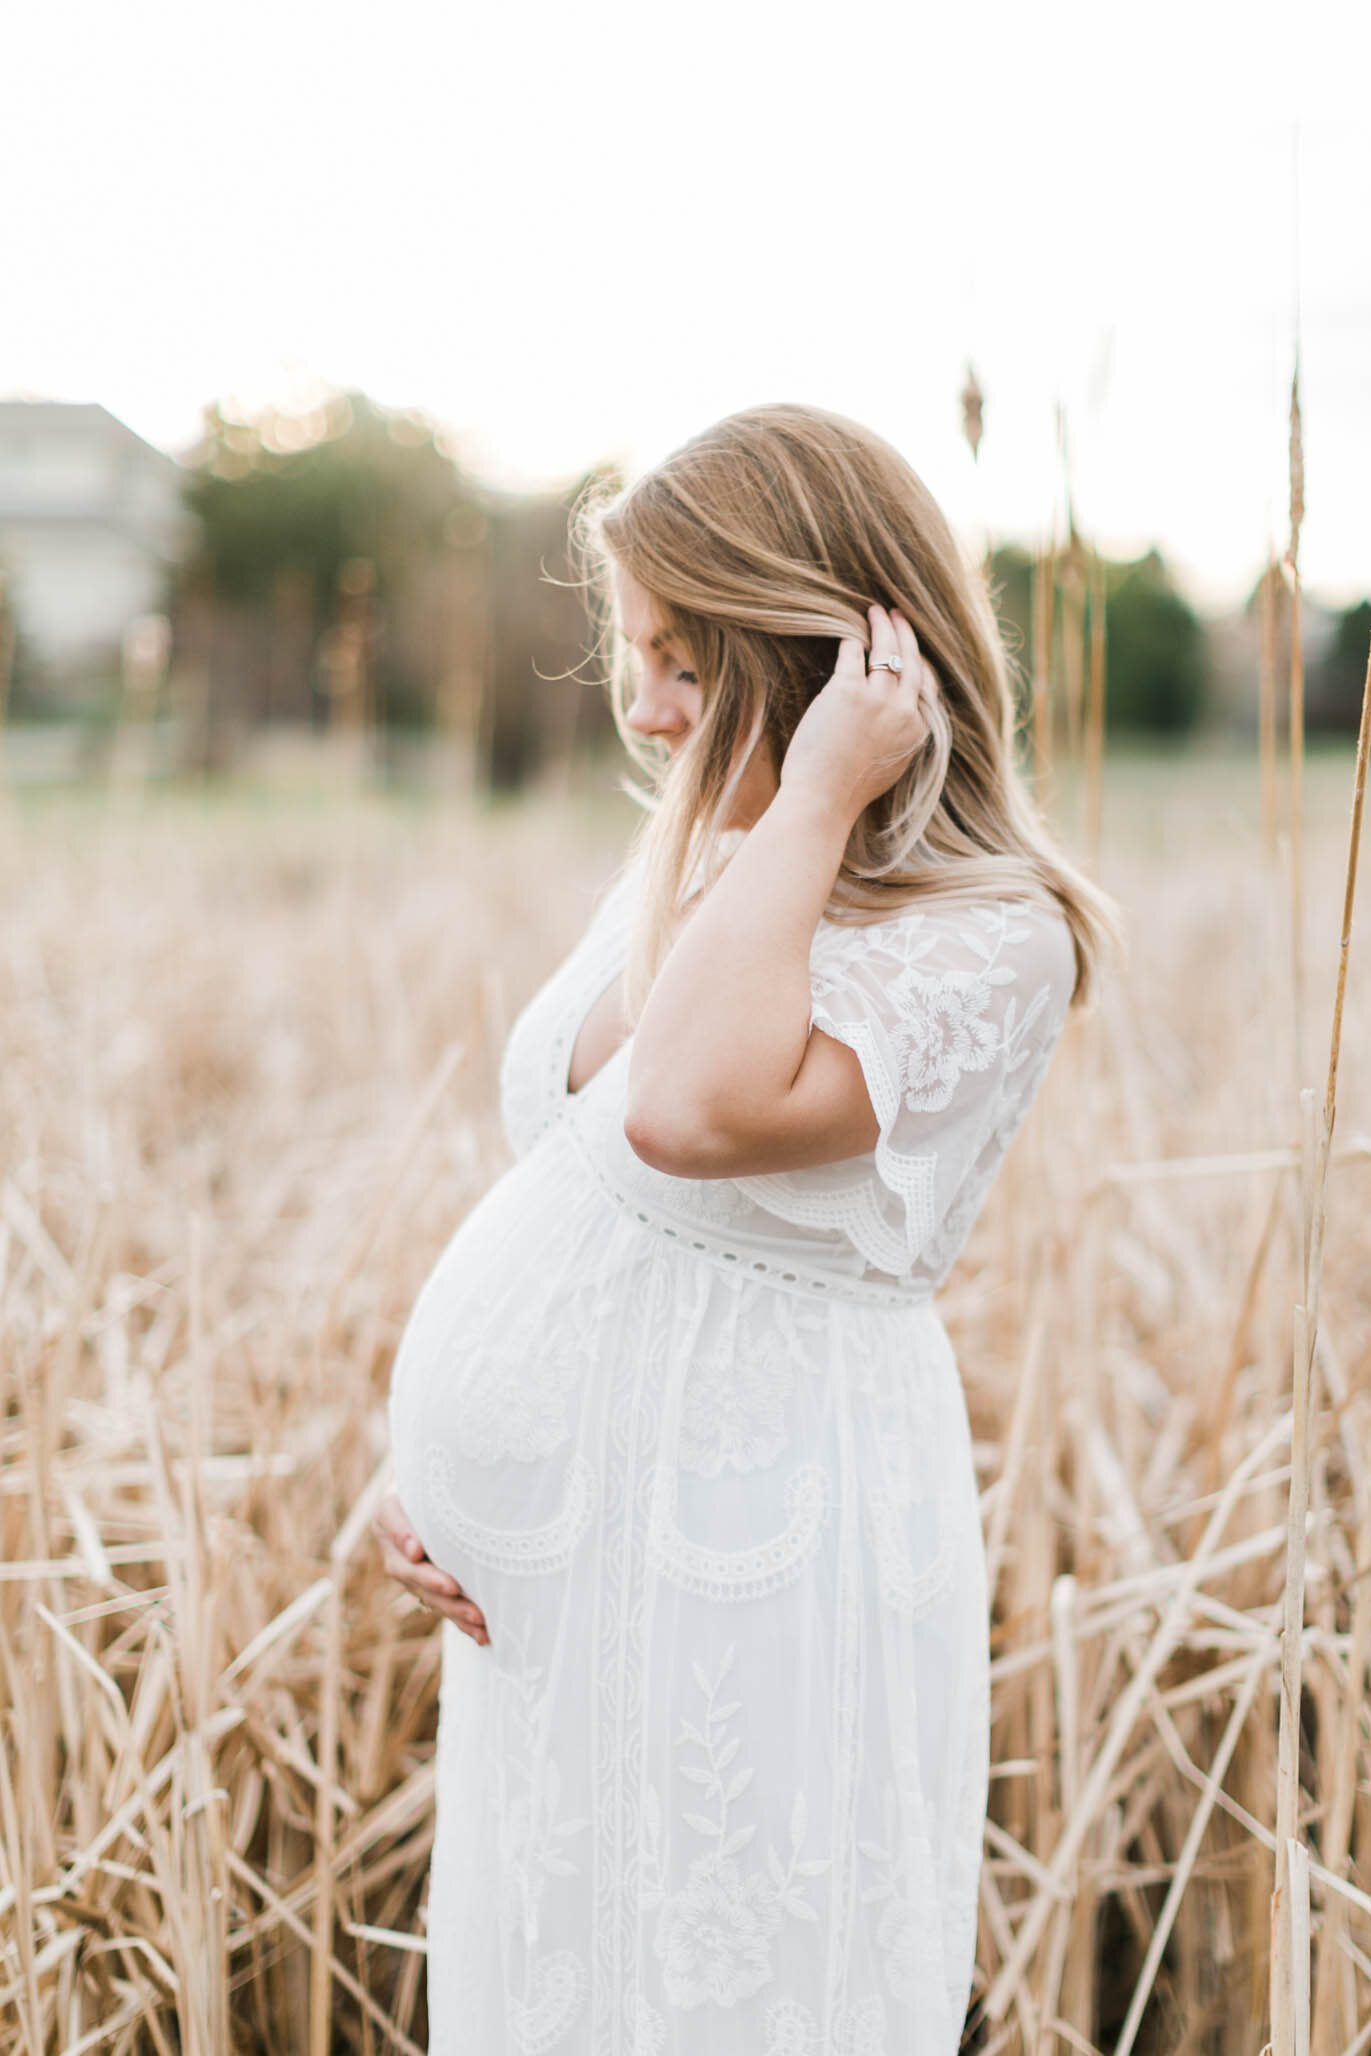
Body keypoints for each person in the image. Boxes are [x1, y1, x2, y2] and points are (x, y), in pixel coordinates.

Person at [373, 401, 1123, 2054]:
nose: (640, 712)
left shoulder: (996, 938)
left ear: (839, 656)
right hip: (565, 1595)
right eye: (631, 657)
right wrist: (436, 1468)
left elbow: (687, 1111)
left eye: (684, 667)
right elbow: (575, 1178)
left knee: (733, 1986)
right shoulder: (713, 860)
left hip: (752, 1562)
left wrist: (816, 804)